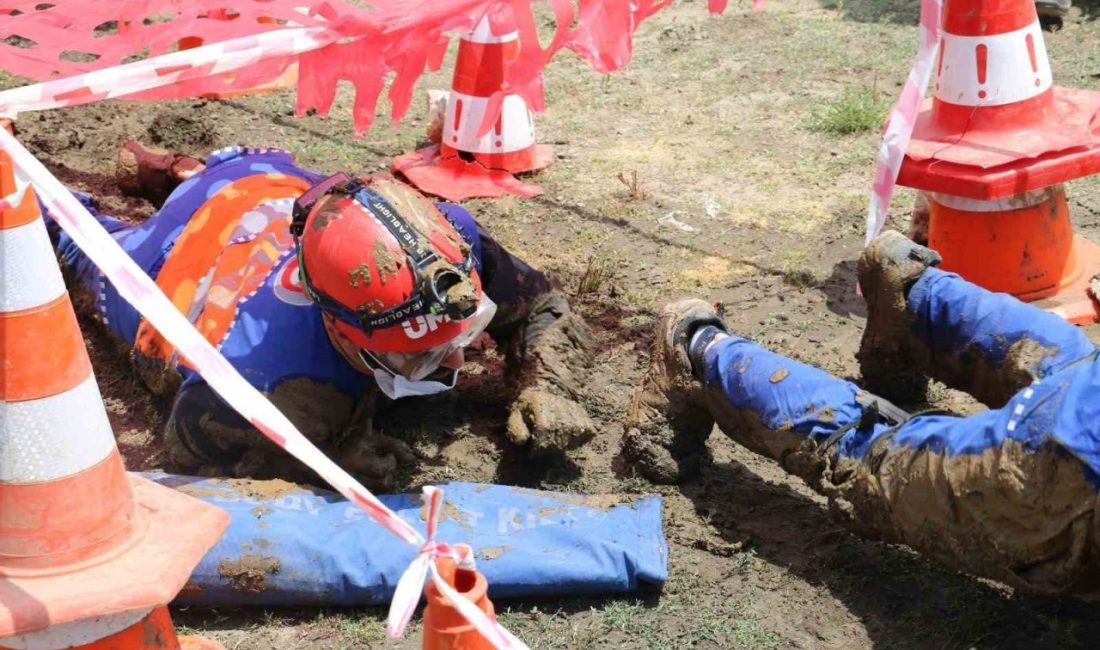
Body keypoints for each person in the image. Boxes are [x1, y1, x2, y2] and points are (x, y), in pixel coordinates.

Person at [53, 142, 596, 488]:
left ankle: (183, 172)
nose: (457, 358)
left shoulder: (446, 239)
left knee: (253, 178)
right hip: (184, 253)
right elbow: (190, 450)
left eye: (466, 329)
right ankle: (166, 182)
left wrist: (546, 383)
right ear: (338, 328)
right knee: (80, 247)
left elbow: (542, 304)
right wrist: (323, 457)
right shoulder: (252, 379)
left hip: (266, 179)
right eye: (419, 354)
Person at [625, 230, 1100, 595]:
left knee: (1072, 375)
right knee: (878, 466)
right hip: (1069, 465)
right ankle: (696, 350)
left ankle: (915, 293)